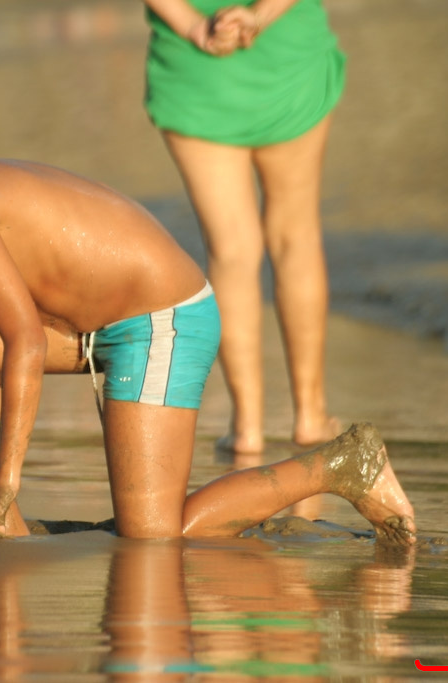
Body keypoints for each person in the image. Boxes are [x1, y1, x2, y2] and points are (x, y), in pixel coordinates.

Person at [0, 94, 415, 544]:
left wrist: (7, 474)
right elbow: (10, 337)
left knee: (154, 535)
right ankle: (4, 530)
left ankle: (341, 464)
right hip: (85, 328)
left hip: (161, 321)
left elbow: (24, 341)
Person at [142, 0, 344, 454]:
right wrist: (260, 15)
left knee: (231, 249)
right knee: (295, 238)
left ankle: (247, 427)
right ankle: (310, 415)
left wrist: (194, 26)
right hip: (285, 58)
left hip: (195, 71)